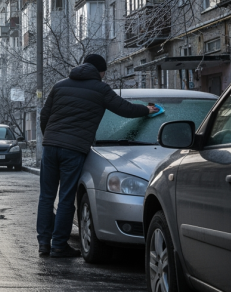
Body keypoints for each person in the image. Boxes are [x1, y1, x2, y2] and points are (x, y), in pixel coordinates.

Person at [36, 54, 157, 258]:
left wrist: (50, 137)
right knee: (66, 197)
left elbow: (44, 115)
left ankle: (43, 244)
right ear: (100, 71)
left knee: (46, 197)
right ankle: (58, 245)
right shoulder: (100, 89)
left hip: (50, 146)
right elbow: (124, 109)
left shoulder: (59, 85)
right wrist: (146, 110)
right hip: (73, 149)